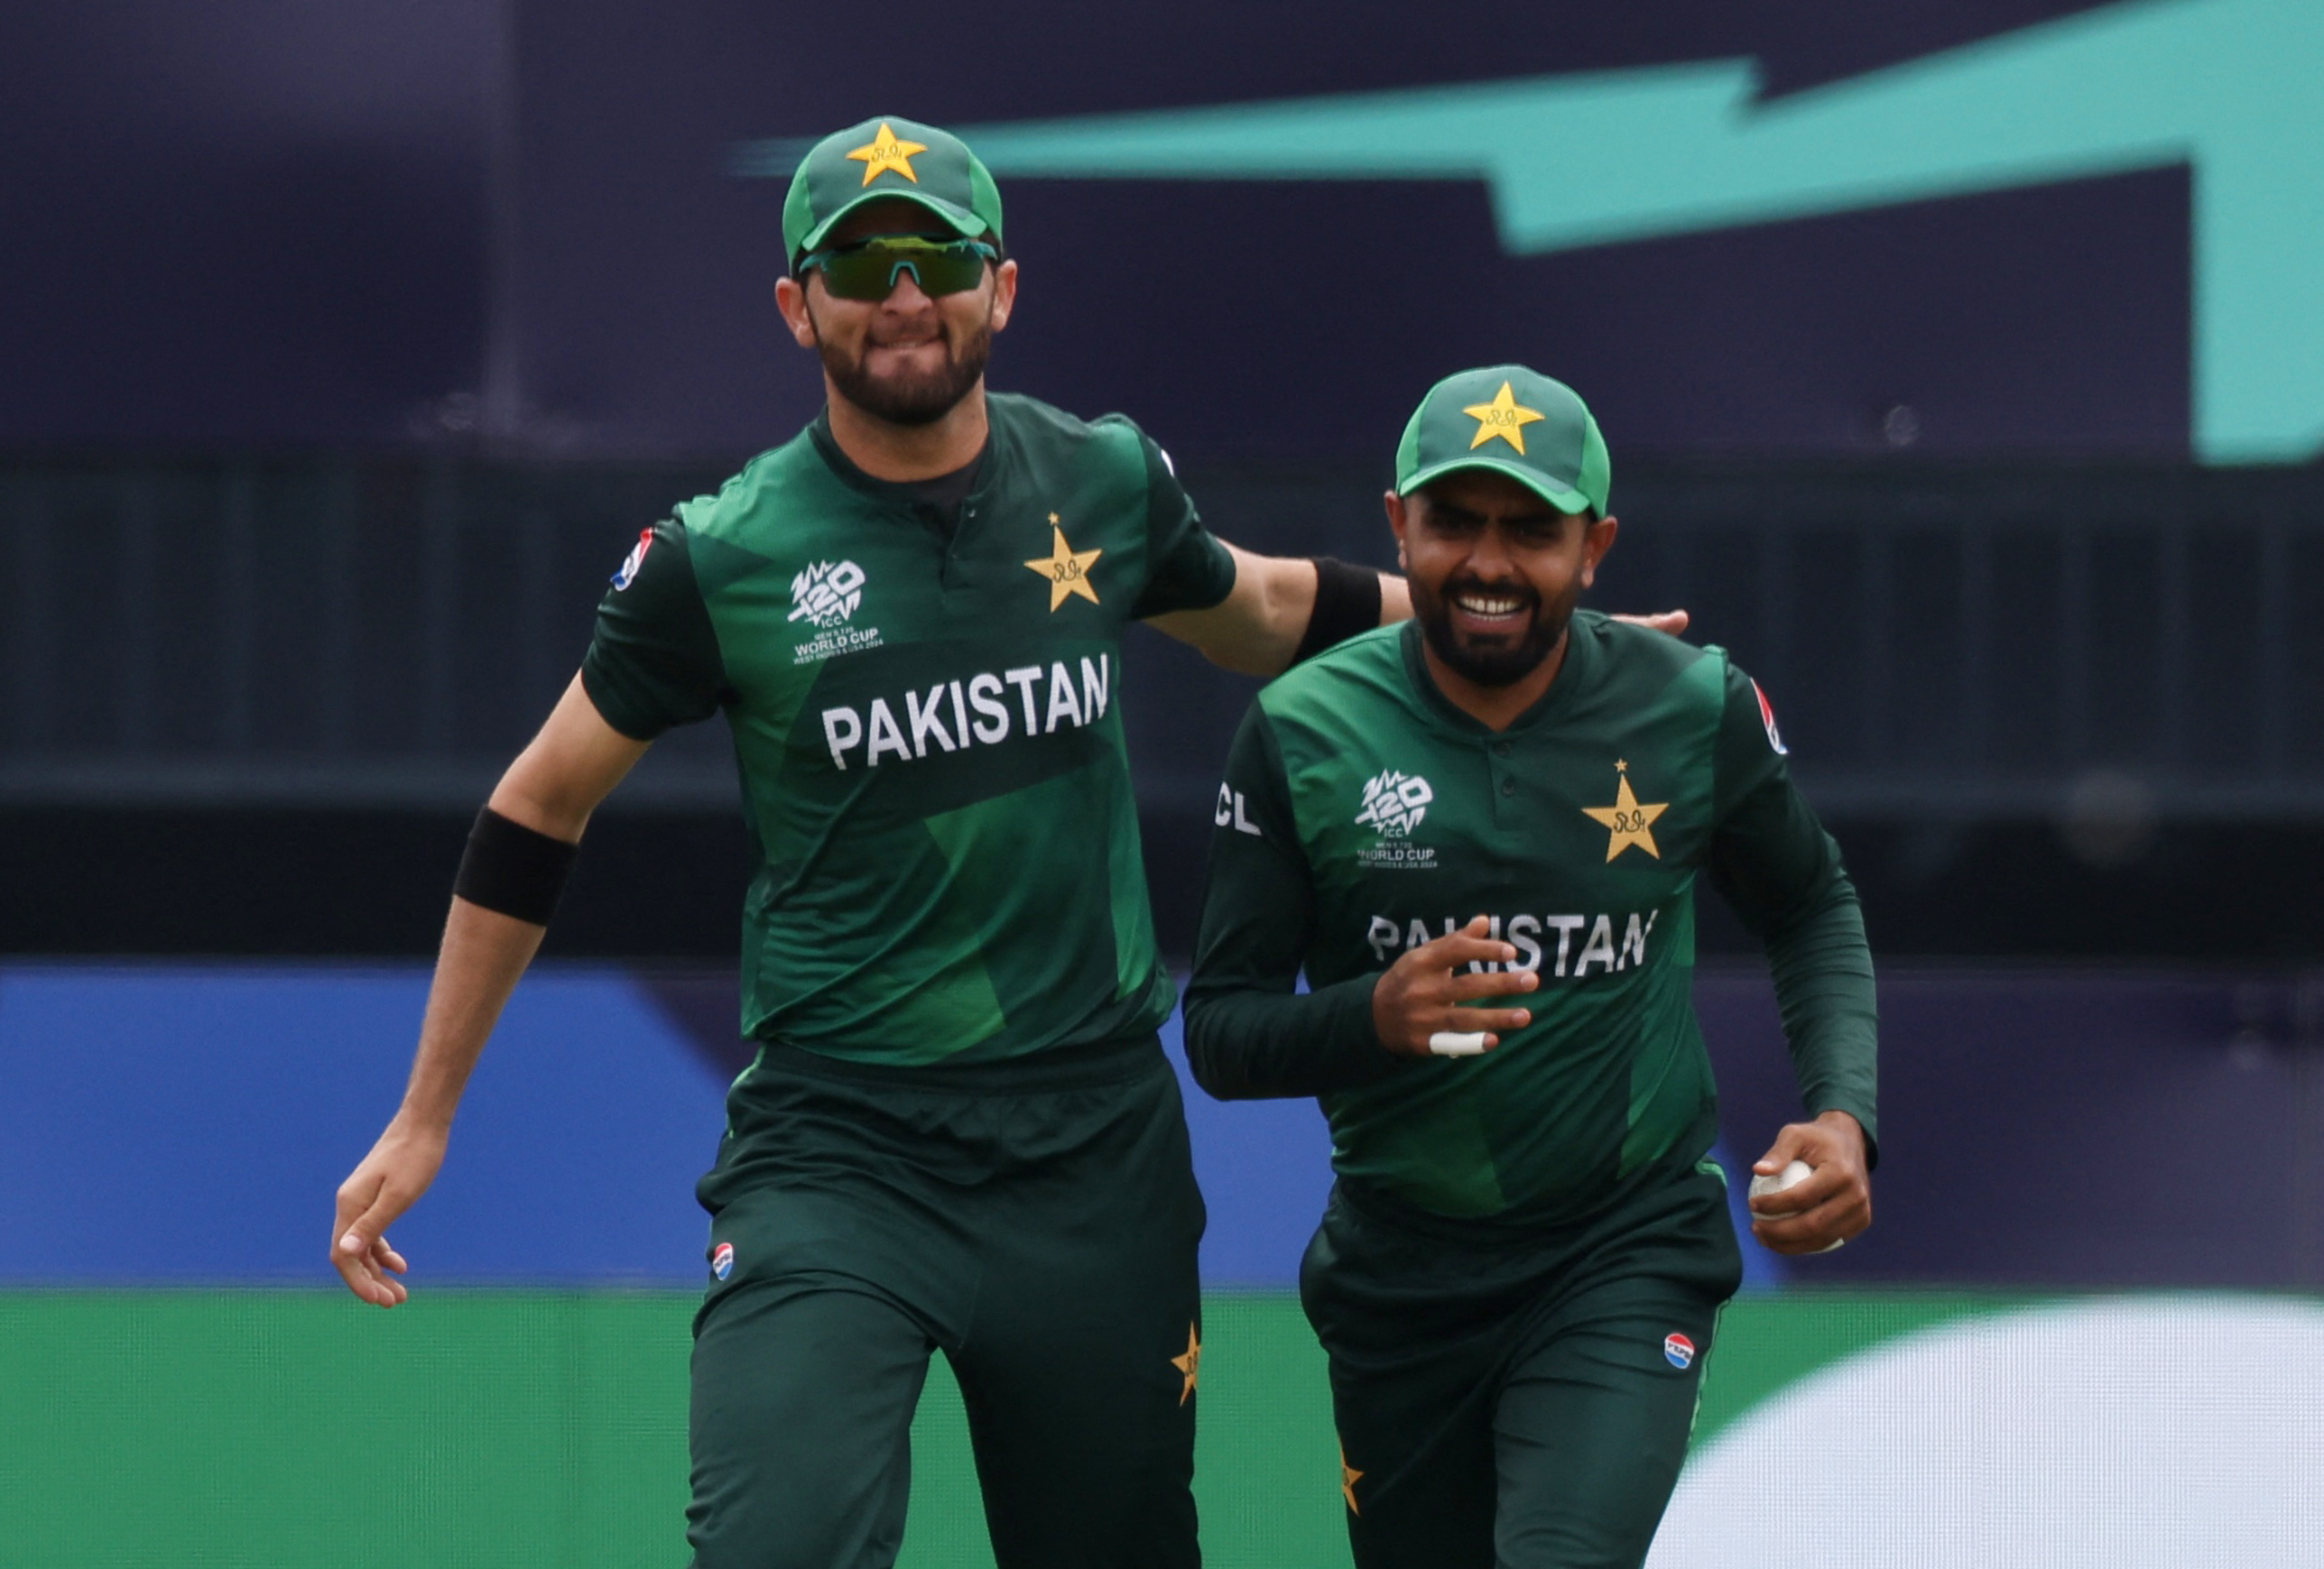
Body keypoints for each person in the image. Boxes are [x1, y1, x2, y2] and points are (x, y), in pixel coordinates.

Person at [325, 115, 1423, 1569]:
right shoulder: (720, 557)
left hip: (1093, 1157)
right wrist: (424, 1113)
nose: (904, 294)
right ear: (799, 308)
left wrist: (1527, 629)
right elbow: (538, 807)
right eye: (859, 262)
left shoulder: (1102, 481)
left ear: (1002, 289)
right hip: (840, 1157)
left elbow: (1268, 613)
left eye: (939, 260)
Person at [1182, 365, 1877, 1569]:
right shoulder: (1302, 732)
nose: (1491, 564)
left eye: (1533, 532)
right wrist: (1374, 1016)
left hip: (1620, 1250)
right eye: (1455, 524)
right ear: (1399, 524)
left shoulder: (1689, 706)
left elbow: (1811, 899)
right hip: (1401, 1279)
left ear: (1596, 546)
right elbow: (1223, 1033)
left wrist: (1845, 1115)